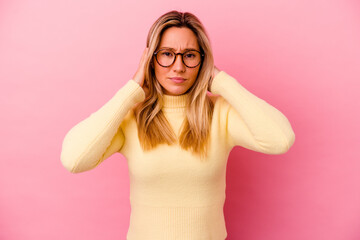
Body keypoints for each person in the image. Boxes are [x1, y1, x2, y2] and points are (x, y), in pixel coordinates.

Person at [60, 10, 295, 240]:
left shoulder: (221, 113)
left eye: (190, 55)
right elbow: (74, 159)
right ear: (150, 60)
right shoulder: (131, 117)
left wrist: (222, 82)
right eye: (166, 54)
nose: (178, 66)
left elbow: (280, 139)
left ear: (203, 61)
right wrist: (131, 90)